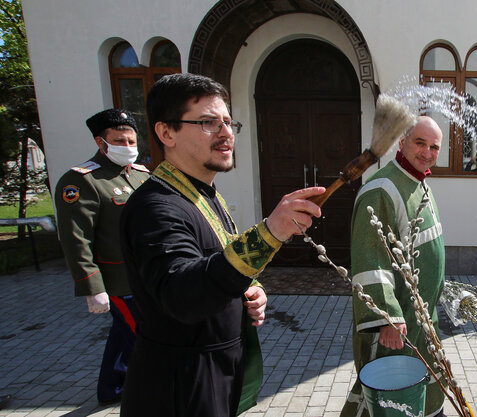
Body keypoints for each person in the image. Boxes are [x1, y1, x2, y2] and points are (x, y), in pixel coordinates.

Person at [119, 73, 325, 416]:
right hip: (179, 385)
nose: (226, 133)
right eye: (208, 123)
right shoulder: (155, 206)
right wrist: (270, 232)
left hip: (213, 371)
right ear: (166, 132)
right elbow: (182, 294)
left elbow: (218, 256)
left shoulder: (200, 192)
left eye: (229, 122)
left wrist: (250, 288)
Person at [341, 116, 446, 417]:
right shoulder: (382, 189)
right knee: (390, 401)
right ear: (402, 141)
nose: (427, 152)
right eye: (420, 143)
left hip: (422, 317)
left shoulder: (418, 181)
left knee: (423, 392)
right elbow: (369, 258)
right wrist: (386, 316)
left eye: (434, 147)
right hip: (396, 326)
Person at [54, 108, 150, 404]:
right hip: (118, 280)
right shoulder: (82, 181)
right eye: (120, 140)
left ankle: (112, 389)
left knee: (122, 334)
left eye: (132, 140)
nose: (128, 146)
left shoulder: (141, 175)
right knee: (144, 339)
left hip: (146, 275)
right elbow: (76, 238)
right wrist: (92, 287)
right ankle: (153, 396)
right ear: (101, 142)